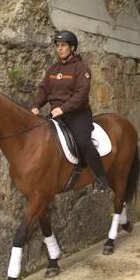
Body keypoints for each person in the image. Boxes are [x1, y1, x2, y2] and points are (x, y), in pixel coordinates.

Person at [31, 30, 109, 192]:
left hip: (77, 115)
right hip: (56, 115)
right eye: (58, 46)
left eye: (63, 46)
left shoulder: (81, 69)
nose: (60, 49)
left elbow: (81, 94)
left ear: (72, 48)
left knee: (83, 142)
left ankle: (101, 178)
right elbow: (44, 89)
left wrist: (63, 108)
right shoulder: (53, 69)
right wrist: (36, 105)